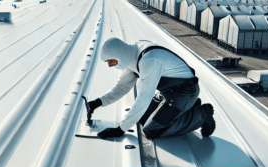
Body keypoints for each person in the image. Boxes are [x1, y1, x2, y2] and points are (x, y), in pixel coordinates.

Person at [85, 37, 215, 140]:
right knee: (141, 117)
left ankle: (201, 115)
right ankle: (188, 107)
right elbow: (122, 87)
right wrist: (97, 103)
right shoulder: (132, 55)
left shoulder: (148, 60)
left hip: (184, 93)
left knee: (151, 130)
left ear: (119, 55)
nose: (110, 65)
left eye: (112, 62)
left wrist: (120, 129)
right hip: (170, 93)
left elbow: (143, 99)